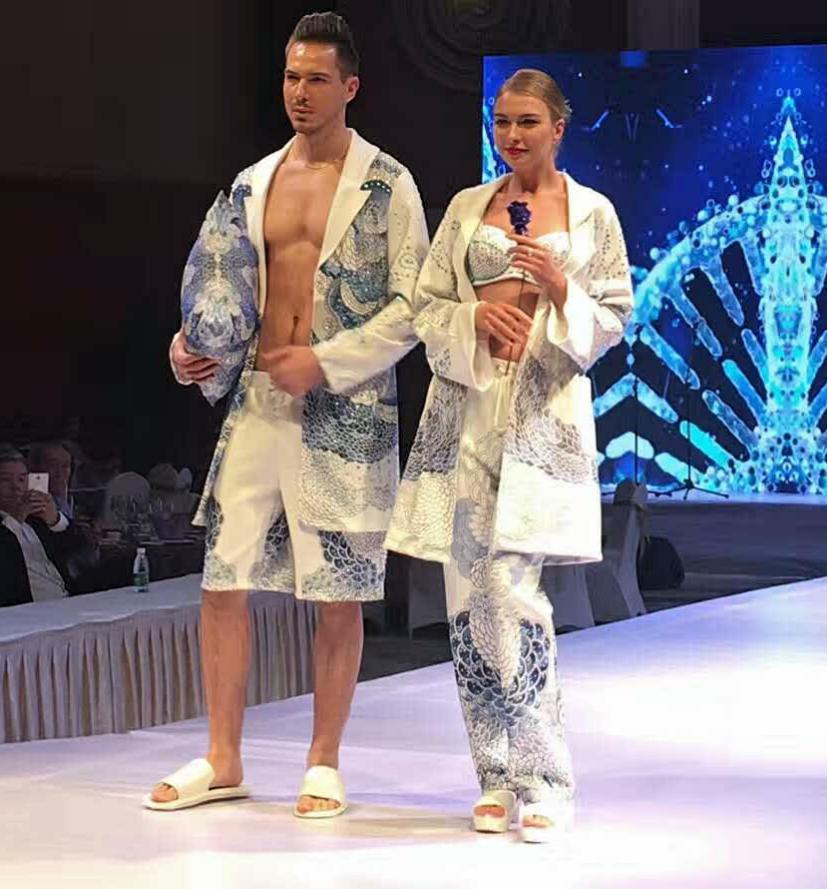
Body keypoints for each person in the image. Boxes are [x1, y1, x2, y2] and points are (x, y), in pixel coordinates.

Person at [146, 12, 428, 816]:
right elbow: (221, 291)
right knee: (222, 576)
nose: (299, 93)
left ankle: (323, 760)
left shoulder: (388, 184)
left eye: (316, 80)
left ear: (350, 87)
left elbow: (414, 304)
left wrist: (328, 361)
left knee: (338, 592)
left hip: (346, 410)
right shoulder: (252, 182)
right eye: (290, 77)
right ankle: (223, 755)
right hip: (260, 399)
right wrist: (189, 348)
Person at [385, 69, 633, 842]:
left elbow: (616, 312)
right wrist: (474, 319)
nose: (513, 135)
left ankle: (545, 775)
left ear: (559, 127)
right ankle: (493, 772)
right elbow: (425, 305)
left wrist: (559, 288)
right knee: (467, 599)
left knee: (515, 593)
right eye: (502, 121)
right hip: (467, 411)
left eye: (527, 121)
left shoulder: (592, 213)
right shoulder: (466, 208)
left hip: (540, 417)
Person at [0, 446, 87, 607]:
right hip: (25, 609)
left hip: (67, 600)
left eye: (21, 480)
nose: (15, 487)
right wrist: (15, 519)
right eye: (5, 480)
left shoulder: (35, 518)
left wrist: (55, 520)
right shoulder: (12, 522)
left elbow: (79, 546)